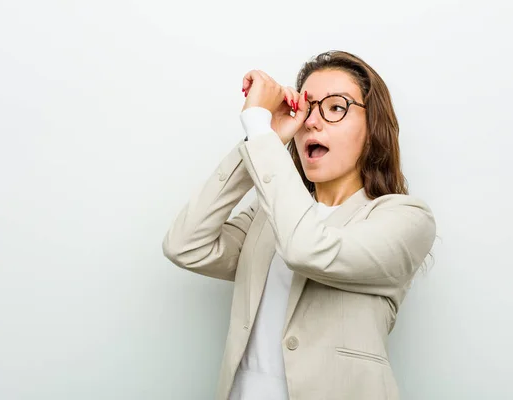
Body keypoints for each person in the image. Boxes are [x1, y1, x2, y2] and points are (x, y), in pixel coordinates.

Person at [162, 50, 436, 400]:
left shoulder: (405, 218)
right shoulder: (268, 217)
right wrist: (263, 141)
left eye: (336, 107)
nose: (312, 123)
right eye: (307, 108)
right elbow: (185, 245)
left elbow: (306, 248)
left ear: (373, 128)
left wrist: (259, 127)